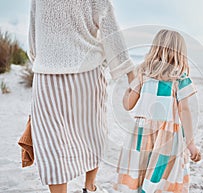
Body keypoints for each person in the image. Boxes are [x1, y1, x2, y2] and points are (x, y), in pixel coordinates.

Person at [28, 0, 134, 192]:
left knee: (51, 142)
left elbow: (33, 29)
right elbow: (110, 26)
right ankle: (90, 186)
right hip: (87, 70)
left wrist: (39, 58)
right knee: (93, 131)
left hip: (46, 74)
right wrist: (127, 69)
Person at [114, 29, 201, 193]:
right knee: (159, 176)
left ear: (155, 48)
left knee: (141, 169)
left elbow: (128, 105)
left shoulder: (143, 72)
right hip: (168, 136)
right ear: (180, 53)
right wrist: (190, 144)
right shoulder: (180, 77)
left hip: (142, 132)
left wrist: (129, 85)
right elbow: (185, 111)